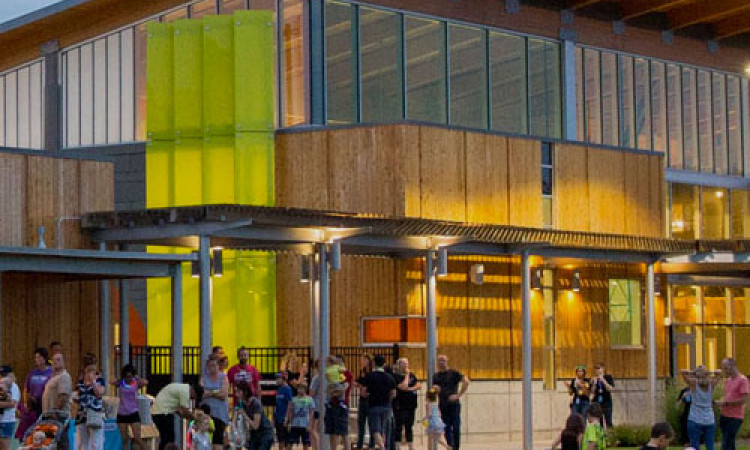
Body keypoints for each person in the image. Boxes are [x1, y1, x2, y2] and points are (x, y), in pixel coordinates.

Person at [432, 354, 470, 450]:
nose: (441, 363)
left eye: (443, 360)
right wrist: (435, 390)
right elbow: (433, 391)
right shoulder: (436, 376)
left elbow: (466, 381)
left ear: (447, 361)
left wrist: (458, 395)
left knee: (456, 426)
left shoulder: (453, 373)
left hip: (453, 404)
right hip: (443, 404)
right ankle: (450, 446)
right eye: (439, 361)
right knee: (446, 427)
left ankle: (456, 447)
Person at [681, 366, 721, 450]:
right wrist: (709, 372)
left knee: (694, 445)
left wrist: (694, 372)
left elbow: (683, 371)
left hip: (695, 418)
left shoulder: (693, 384)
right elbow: (719, 373)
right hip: (709, 419)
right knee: (710, 446)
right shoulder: (711, 384)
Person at [16, 348, 53, 440]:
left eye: (39, 357)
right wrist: (26, 402)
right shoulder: (32, 373)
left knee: (45, 429)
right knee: (32, 429)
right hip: (33, 404)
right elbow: (26, 388)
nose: (37, 359)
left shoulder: (51, 372)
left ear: (44, 358)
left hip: (45, 403)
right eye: (36, 357)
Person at [363, 354, 396, 450]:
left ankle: (382, 447)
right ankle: (384, 445)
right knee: (384, 429)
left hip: (374, 405)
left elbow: (364, 393)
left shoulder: (370, 376)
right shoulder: (390, 377)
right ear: (384, 364)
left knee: (375, 430)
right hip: (386, 405)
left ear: (373, 363)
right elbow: (393, 394)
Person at [113, 363, 148, 450]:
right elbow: (111, 381)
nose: (128, 378)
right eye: (126, 376)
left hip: (133, 412)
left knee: (137, 438)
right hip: (122, 413)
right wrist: (120, 379)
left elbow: (145, 382)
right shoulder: (121, 383)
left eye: (130, 376)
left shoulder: (136, 383)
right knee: (124, 439)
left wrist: (136, 378)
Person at [716, 358, 749, 450]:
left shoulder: (743, 380)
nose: (724, 370)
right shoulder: (728, 380)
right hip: (725, 414)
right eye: (723, 368)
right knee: (728, 442)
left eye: (726, 368)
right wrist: (720, 402)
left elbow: (743, 399)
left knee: (727, 441)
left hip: (735, 416)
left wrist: (726, 403)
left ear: (733, 366)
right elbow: (728, 395)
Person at [73, 361, 106, 450]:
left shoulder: (100, 380)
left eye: (92, 370)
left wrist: (93, 382)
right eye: (88, 370)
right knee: (82, 444)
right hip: (81, 416)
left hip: (94, 415)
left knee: (96, 444)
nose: (90, 372)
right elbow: (76, 397)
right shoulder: (80, 382)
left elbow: (99, 393)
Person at [152, 382, 195, 450]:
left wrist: (184, 416)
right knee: (168, 439)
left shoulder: (181, 388)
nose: (191, 399)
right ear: (193, 391)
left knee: (166, 438)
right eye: (192, 397)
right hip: (163, 413)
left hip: (158, 412)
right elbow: (185, 410)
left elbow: (179, 410)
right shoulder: (186, 391)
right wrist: (195, 418)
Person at [200, 355, 230, 450]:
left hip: (220, 412)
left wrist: (210, 393)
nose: (212, 368)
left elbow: (224, 394)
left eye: (214, 365)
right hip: (207, 412)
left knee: (218, 438)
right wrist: (216, 392)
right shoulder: (204, 376)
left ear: (218, 366)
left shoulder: (223, 377)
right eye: (210, 366)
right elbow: (202, 392)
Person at [237, 382, 275, 450]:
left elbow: (255, 426)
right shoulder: (242, 403)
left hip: (265, 432)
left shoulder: (255, 403)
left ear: (245, 392)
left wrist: (244, 414)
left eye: (239, 391)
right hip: (255, 433)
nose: (236, 394)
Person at [393, 358, 420, 450]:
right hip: (400, 405)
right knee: (398, 426)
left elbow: (418, 385)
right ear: (399, 365)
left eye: (407, 363)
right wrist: (407, 375)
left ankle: (411, 446)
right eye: (404, 363)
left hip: (411, 405)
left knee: (409, 426)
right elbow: (403, 386)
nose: (406, 365)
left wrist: (411, 389)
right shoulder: (396, 376)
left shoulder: (412, 375)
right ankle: (397, 446)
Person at [286, 382, 315, 450]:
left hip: (305, 424)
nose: (300, 390)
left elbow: (311, 413)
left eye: (302, 388)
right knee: (290, 442)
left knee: (306, 443)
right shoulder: (293, 399)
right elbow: (291, 412)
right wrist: (289, 422)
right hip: (295, 424)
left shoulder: (309, 399)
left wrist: (310, 424)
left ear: (305, 389)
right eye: (299, 388)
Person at [354, 354, 374, 450]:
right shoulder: (363, 371)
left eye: (363, 360)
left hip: (370, 399)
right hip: (362, 399)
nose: (362, 362)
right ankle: (360, 444)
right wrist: (358, 385)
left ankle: (372, 443)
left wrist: (366, 389)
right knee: (361, 422)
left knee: (371, 422)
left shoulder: (372, 372)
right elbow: (359, 381)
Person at [0, 366, 20, 450]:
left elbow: (13, 404)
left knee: (5, 446)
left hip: (7, 421)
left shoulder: (14, 387)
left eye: (5, 374)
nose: (3, 377)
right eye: (1, 374)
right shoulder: (1, 385)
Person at [590, 363, 615, 428]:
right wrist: (594, 384)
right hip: (597, 403)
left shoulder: (608, 377)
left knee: (608, 421)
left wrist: (603, 380)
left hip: (607, 402)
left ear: (603, 369)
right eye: (596, 369)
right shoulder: (593, 379)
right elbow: (592, 392)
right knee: (599, 422)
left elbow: (610, 389)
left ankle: (610, 436)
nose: (597, 370)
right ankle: (600, 436)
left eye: (599, 368)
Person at [274, 372, 293, 450]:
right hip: (278, 417)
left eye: (279, 378)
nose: (277, 380)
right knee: (280, 438)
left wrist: (287, 417)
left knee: (286, 439)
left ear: (284, 379)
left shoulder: (287, 389)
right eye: (276, 378)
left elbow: (289, 403)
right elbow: (277, 404)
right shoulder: (279, 389)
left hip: (284, 418)